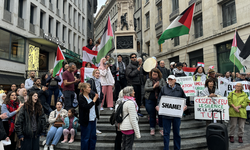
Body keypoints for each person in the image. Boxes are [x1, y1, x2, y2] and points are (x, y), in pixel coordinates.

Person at [155, 75, 187, 150]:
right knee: (166, 133)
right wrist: (158, 106)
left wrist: (184, 106)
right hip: (166, 115)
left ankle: (177, 148)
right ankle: (166, 148)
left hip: (176, 115)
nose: (170, 81)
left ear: (175, 80)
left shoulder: (179, 89)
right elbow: (159, 99)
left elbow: (184, 99)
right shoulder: (163, 88)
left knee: (177, 133)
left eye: (172, 79)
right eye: (169, 79)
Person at [144, 68, 166, 136]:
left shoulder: (161, 80)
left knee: (160, 114)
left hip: (160, 100)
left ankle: (161, 128)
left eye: (156, 74)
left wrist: (159, 86)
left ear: (158, 74)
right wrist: (153, 87)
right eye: (153, 74)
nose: (154, 76)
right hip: (150, 99)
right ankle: (152, 128)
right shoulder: (148, 80)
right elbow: (146, 88)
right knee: (152, 114)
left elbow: (165, 88)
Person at [78, 82, 99, 150]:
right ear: (84, 89)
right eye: (88, 87)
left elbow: (96, 104)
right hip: (86, 120)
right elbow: (86, 107)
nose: (90, 89)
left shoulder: (91, 96)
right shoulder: (81, 98)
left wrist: (97, 98)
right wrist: (93, 101)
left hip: (93, 119)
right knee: (85, 138)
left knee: (93, 137)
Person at [87, 69, 103, 134]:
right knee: (93, 114)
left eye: (98, 73)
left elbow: (100, 90)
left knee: (97, 114)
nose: (97, 74)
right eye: (96, 73)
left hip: (98, 100)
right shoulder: (90, 81)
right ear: (93, 74)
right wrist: (94, 94)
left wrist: (101, 96)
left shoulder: (99, 82)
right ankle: (92, 128)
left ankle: (94, 128)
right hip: (93, 100)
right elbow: (89, 89)